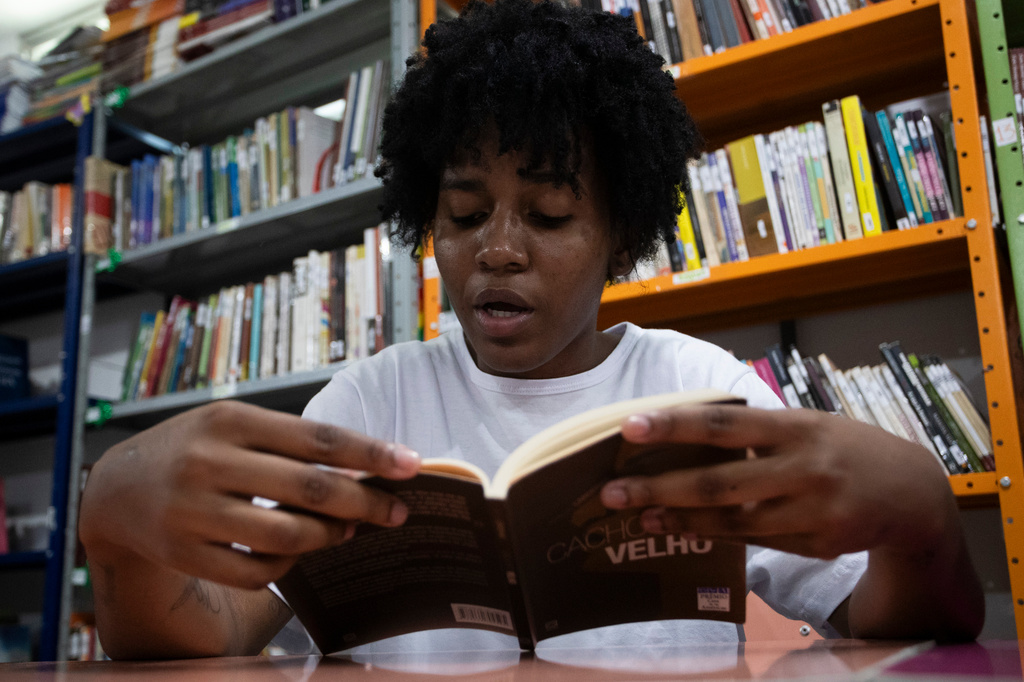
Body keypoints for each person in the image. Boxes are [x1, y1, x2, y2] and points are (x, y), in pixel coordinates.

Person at [79, 0, 984, 660]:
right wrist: (114, 524)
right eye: (465, 213)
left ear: (622, 234)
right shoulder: (370, 399)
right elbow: (214, 633)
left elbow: (890, 627)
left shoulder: (699, 386)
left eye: (550, 217)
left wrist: (923, 519)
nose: (498, 251)